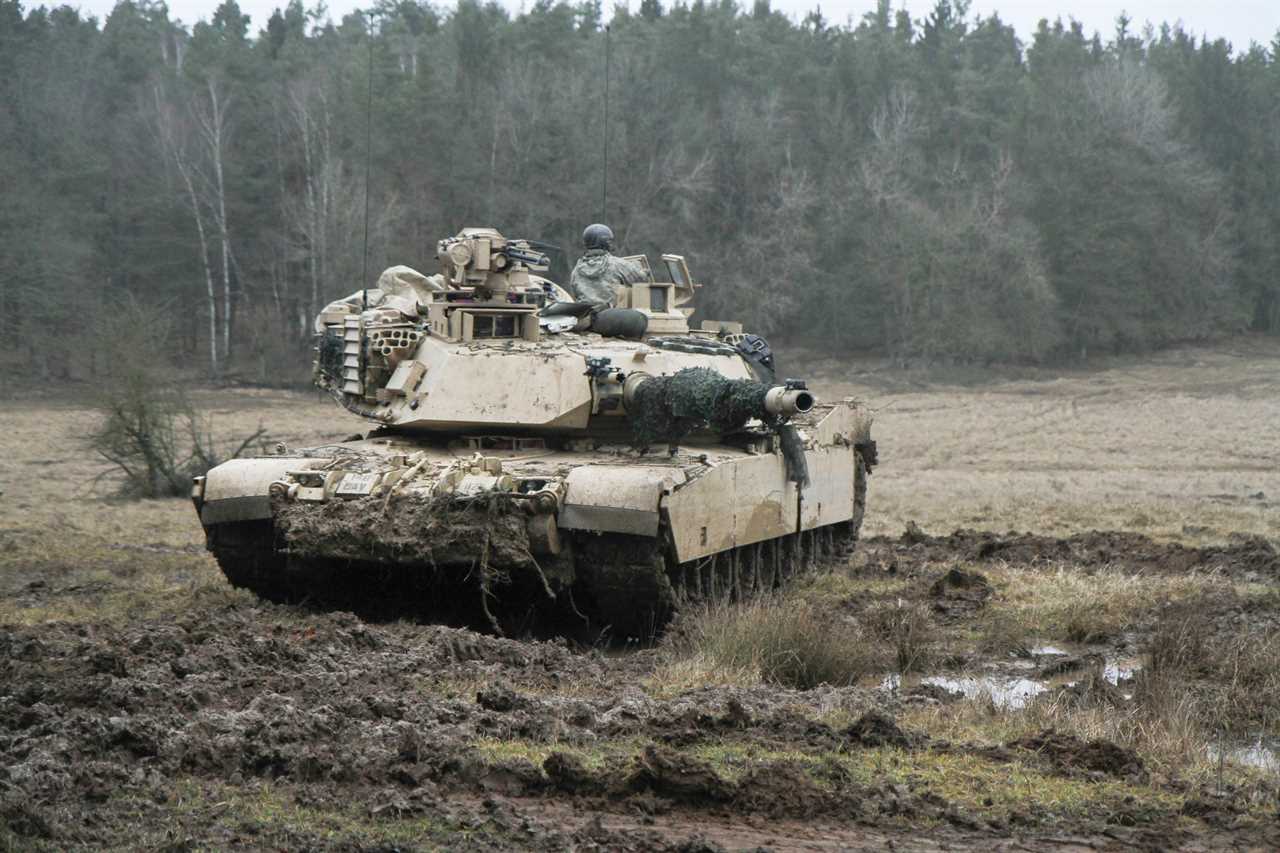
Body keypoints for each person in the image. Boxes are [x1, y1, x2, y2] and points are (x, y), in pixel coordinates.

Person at [569, 223, 647, 310]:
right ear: (605, 242)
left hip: (585, 316)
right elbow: (642, 281)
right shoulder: (617, 264)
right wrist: (643, 271)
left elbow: (575, 294)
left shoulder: (576, 269)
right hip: (609, 314)